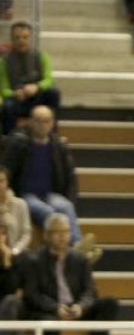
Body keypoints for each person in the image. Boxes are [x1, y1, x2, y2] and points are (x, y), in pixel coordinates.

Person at [20, 213, 117, 335]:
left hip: (75, 307)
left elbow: (90, 290)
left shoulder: (79, 258)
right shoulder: (35, 260)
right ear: (47, 235)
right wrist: (55, 308)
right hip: (50, 310)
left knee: (110, 303)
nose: (63, 236)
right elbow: (32, 295)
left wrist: (81, 306)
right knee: (48, 322)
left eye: (66, 231)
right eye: (58, 232)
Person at [5, 106, 86, 248]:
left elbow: (70, 176)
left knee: (66, 206)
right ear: (31, 122)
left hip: (50, 194)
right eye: (38, 121)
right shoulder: (19, 143)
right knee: (48, 212)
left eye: (46, 121)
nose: (42, 125)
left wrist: (69, 197)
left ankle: (78, 246)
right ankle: (65, 248)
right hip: (26, 195)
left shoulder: (58, 146)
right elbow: (7, 170)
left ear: (52, 123)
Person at [2, 21, 60, 133]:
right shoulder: (4, 62)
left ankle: (53, 134)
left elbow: (49, 79)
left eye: (25, 37)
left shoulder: (42, 57)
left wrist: (37, 87)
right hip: (18, 101)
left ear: (30, 38)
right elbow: (4, 89)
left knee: (54, 92)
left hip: (38, 98)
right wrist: (15, 94)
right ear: (12, 39)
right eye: (17, 37)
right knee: (7, 106)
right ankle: (7, 141)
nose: (21, 41)